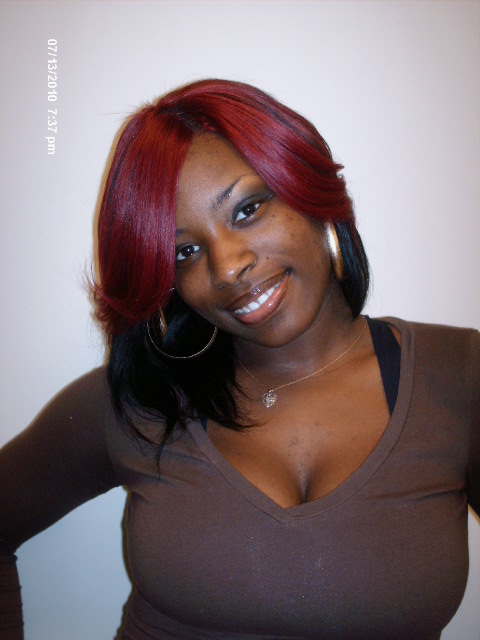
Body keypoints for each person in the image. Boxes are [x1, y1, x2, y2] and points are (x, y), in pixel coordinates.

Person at [0, 78, 478, 640]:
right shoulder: (138, 398)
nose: (227, 268)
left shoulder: (458, 375)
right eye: (185, 251)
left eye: (247, 209)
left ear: (309, 190)